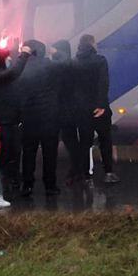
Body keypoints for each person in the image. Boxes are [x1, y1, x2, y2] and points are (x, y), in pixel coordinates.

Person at [0, 45, 32, 208]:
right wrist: (23, 55)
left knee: (5, 156)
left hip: (8, 121)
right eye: (5, 58)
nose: (8, 60)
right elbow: (13, 73)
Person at [17, 40, 62, 197]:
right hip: (49, 117)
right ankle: (50, 185)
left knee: (28, 152)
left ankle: (27, 185)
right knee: (50, 153)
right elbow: (65, 65)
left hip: (29, 117)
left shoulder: (20, 66)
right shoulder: (50, 65)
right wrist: (56, 52)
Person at [74, 34, 119, 184]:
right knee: (105, 140)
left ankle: (86, 175)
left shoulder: (74, 63)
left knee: (85, 143)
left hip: (82, 110)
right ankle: (108, 173)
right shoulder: (100, 60)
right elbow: (103, 83)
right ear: (92, 44)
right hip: (99, 109)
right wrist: (101, 105)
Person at [51, 40, 85, 184]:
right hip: (74, 109)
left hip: (65, 110)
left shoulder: (63, 67)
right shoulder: (74, 64)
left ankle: (76, 170)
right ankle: (78, 169)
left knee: (70, 141)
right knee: (73, 141)